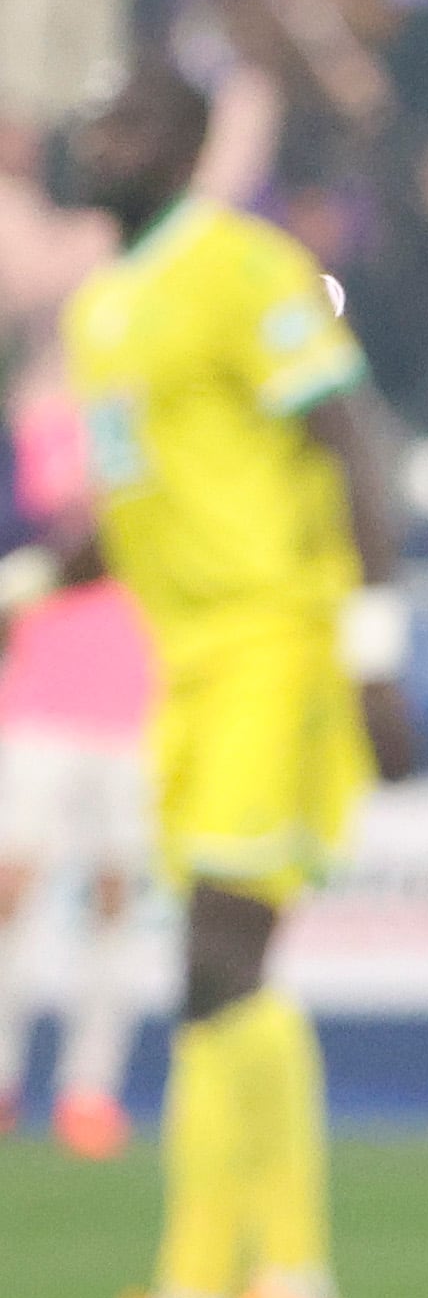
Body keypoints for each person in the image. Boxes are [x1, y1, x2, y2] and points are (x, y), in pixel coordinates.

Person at [10, 61, 423, 1298]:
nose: (96, 138)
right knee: (210, 978)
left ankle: (289, 1294)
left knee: (221, 959)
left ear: (186, 146)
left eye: (127, 122)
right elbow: (122, 510)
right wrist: (19, 585)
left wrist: (373, 652)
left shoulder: (242, 265)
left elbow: (352, 439)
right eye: (91, 119)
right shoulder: (105, 306)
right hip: (186, 667)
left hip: (277, 644)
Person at [0, 361, 156, 1157]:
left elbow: (124, 535)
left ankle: (89, 1090)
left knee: (114, 894)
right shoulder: (40, 424)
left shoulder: (152, 429)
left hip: (132, 700)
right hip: (38, 700)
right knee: (13, 887)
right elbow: (48, 527)